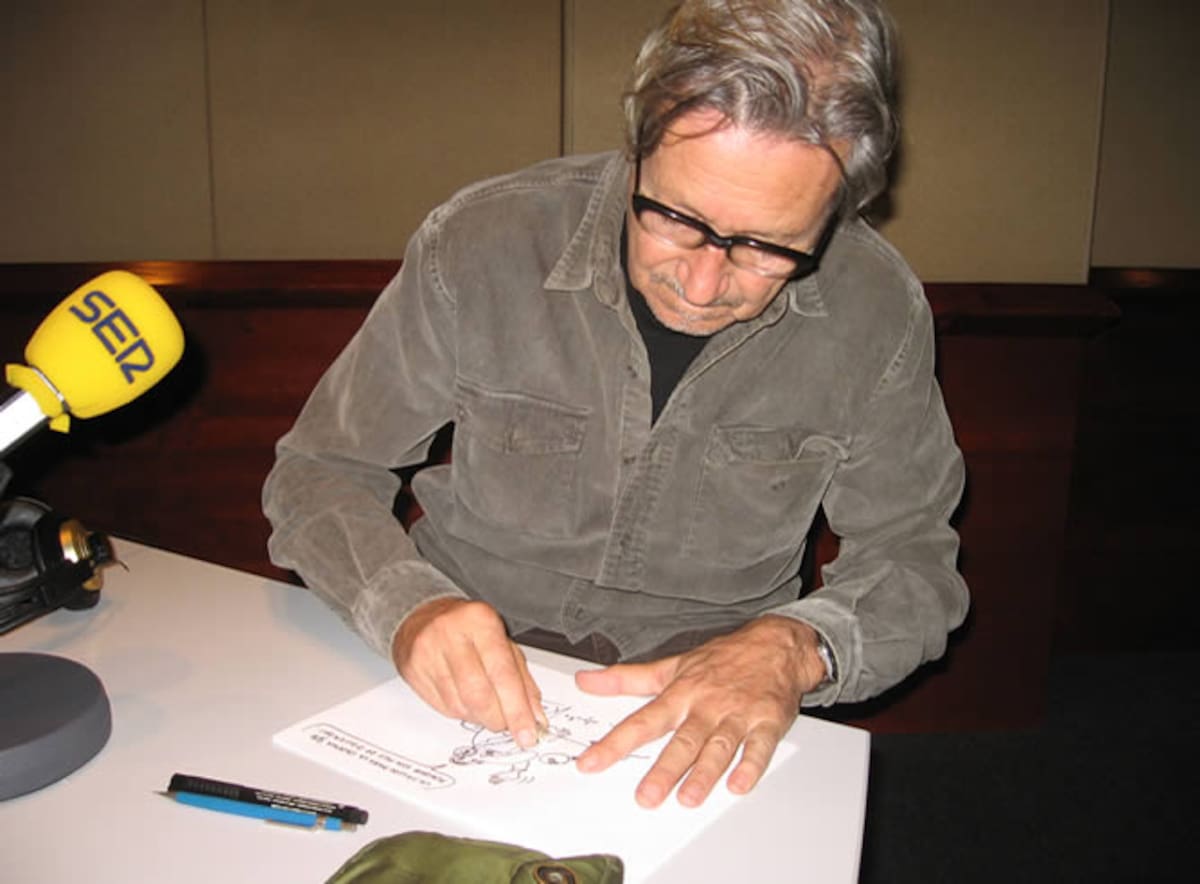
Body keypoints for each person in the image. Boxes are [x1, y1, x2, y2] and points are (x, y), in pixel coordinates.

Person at [263, 0, 967, 811]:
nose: (701, 285)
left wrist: (797, 648)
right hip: (449, 664)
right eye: (676, 220)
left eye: (767, 248)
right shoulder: (482, 242)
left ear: (839, 208)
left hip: (711, 700)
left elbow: (913, 556)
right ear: (636, 146)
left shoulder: (876, 309)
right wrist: (405, 607)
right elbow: (319, 470)